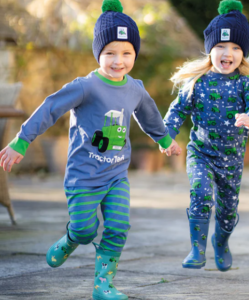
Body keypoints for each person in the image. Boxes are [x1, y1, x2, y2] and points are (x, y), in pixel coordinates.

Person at [0, 0, 179, 299]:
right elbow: (50, 108)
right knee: (85, 230)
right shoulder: (86, 86)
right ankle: (71, 238)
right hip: (84, 176)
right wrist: (22, 139)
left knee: (119, 227)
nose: (118, 60)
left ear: (135, 54)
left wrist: (164, 140)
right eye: (110, 53)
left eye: (126, 53)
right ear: (98, 53)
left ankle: (103, 286)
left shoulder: (135, 88)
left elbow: (148, 114)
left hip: (116, 176)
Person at [161, 0, 249, 272]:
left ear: (243, 53)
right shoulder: (197, 82)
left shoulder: (244, 81)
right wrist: (165, 135)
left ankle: (221, 241)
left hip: (231, 160)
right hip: (201, 153)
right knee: (200, 193)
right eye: (221, 46)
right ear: (210, 50)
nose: (228, 53)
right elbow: (177, 110)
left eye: (236, 48)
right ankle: (197, 249)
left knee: (227, 213)